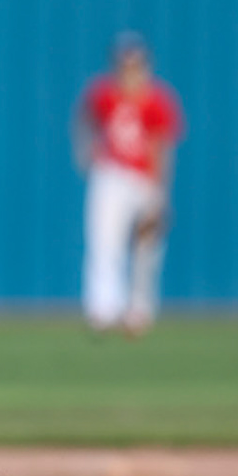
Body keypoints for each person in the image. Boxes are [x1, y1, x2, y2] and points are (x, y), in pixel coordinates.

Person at [74, 32, 183, 338]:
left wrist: (160, 193)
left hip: (144, 177)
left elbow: (162, 146)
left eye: (135, 62)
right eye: (124, 62)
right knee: (104, 242)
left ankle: (138, 311)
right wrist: (85, 152)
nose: (129, 69)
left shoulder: (157, 99)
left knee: (146, 246)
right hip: (110, 174)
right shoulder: (103, 93)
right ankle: (103, 308)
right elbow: (83, 120)